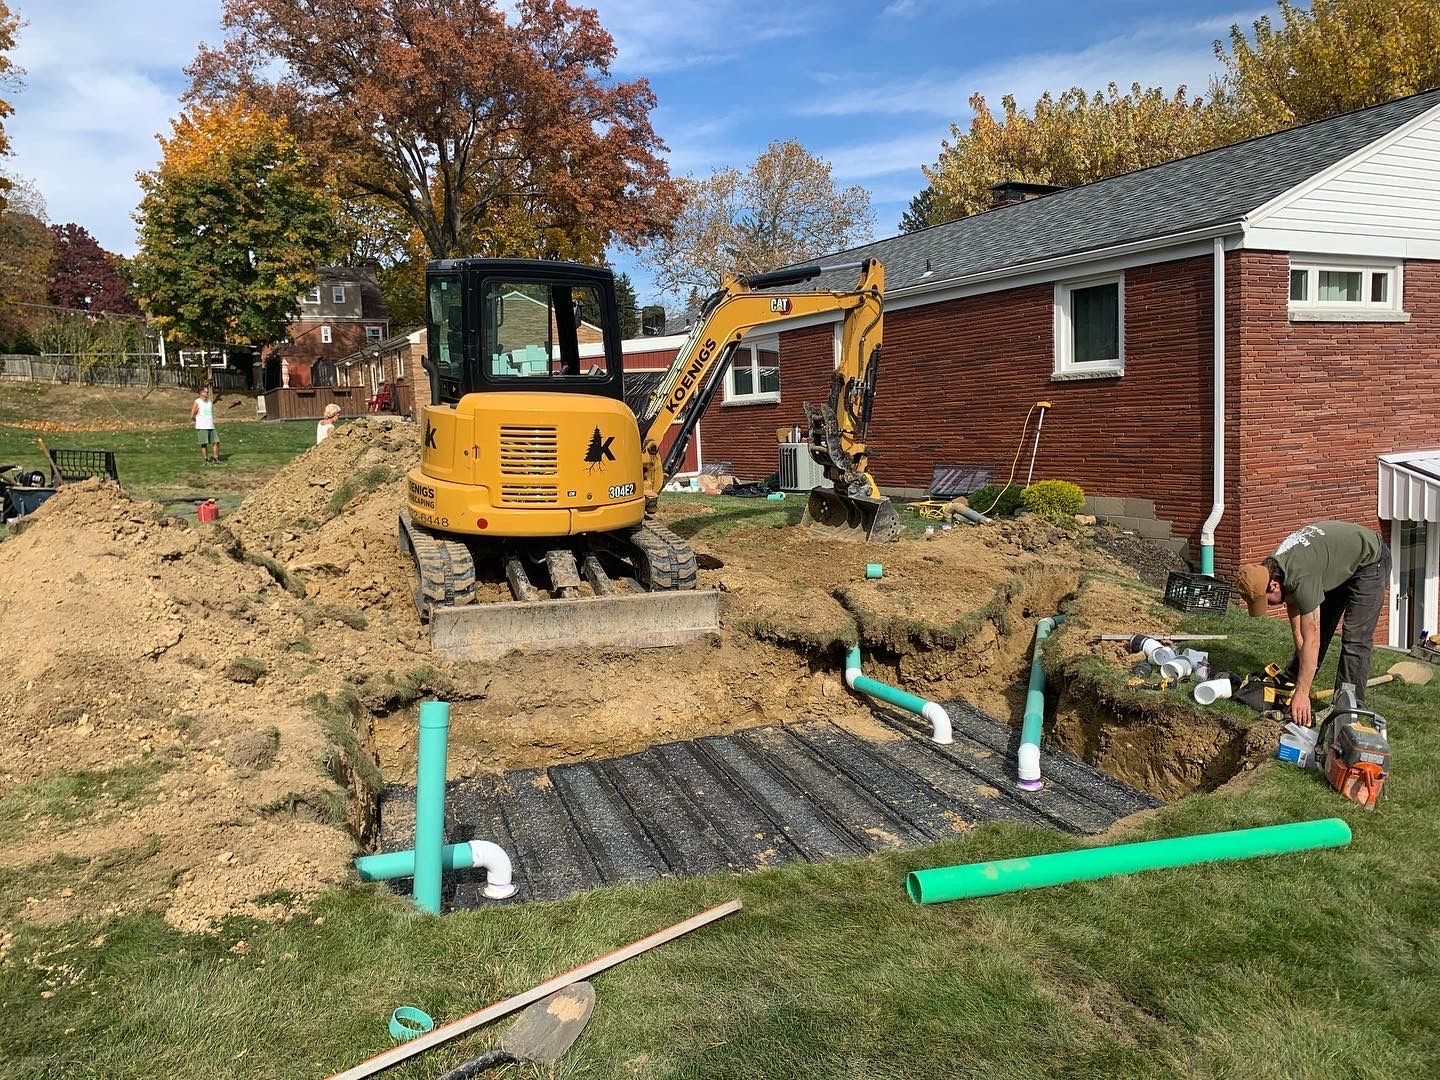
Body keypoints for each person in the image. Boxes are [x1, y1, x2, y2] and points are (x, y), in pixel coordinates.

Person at [1234, 521, 1391, 727]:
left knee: (1355, 638)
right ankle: (1292, 679)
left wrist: (1302, 694)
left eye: (1266, 601)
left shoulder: (1300, 576)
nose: (1269, 606)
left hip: (1370, 561)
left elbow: (1312, 639)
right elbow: (1297, 621)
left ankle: (1348, 707)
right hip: (1336, 562)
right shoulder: (1273, 568)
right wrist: (1299, 682)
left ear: (1273, 585)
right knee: (1320, 626)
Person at [191, 385, 220, 464]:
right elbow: (192, 415)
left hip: (211, 425)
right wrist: (198, 421)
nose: (207, 393)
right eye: (205, 392)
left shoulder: (209, 402)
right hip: (202, 426)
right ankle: (206, 460)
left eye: (207, 392)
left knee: (216, 441)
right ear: (201, 392)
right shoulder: (197, 402)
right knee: (204, 444)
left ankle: (216, 459)